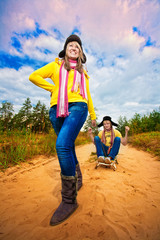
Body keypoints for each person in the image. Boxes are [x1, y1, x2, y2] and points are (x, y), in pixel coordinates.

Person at [29, 34, 96, 226]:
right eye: (70, 45)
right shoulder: (55, 66)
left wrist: (92, 116)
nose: (74, 47)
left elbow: (88, 96)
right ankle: (78, 178)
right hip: (56, 109)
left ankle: (69, 200)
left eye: (77, 46)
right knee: (68, 146)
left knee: (62, 146)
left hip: (78, 107)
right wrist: (53, 89)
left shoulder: (84, 74)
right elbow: (33, 76)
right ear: (65, 50)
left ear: (81, 53)